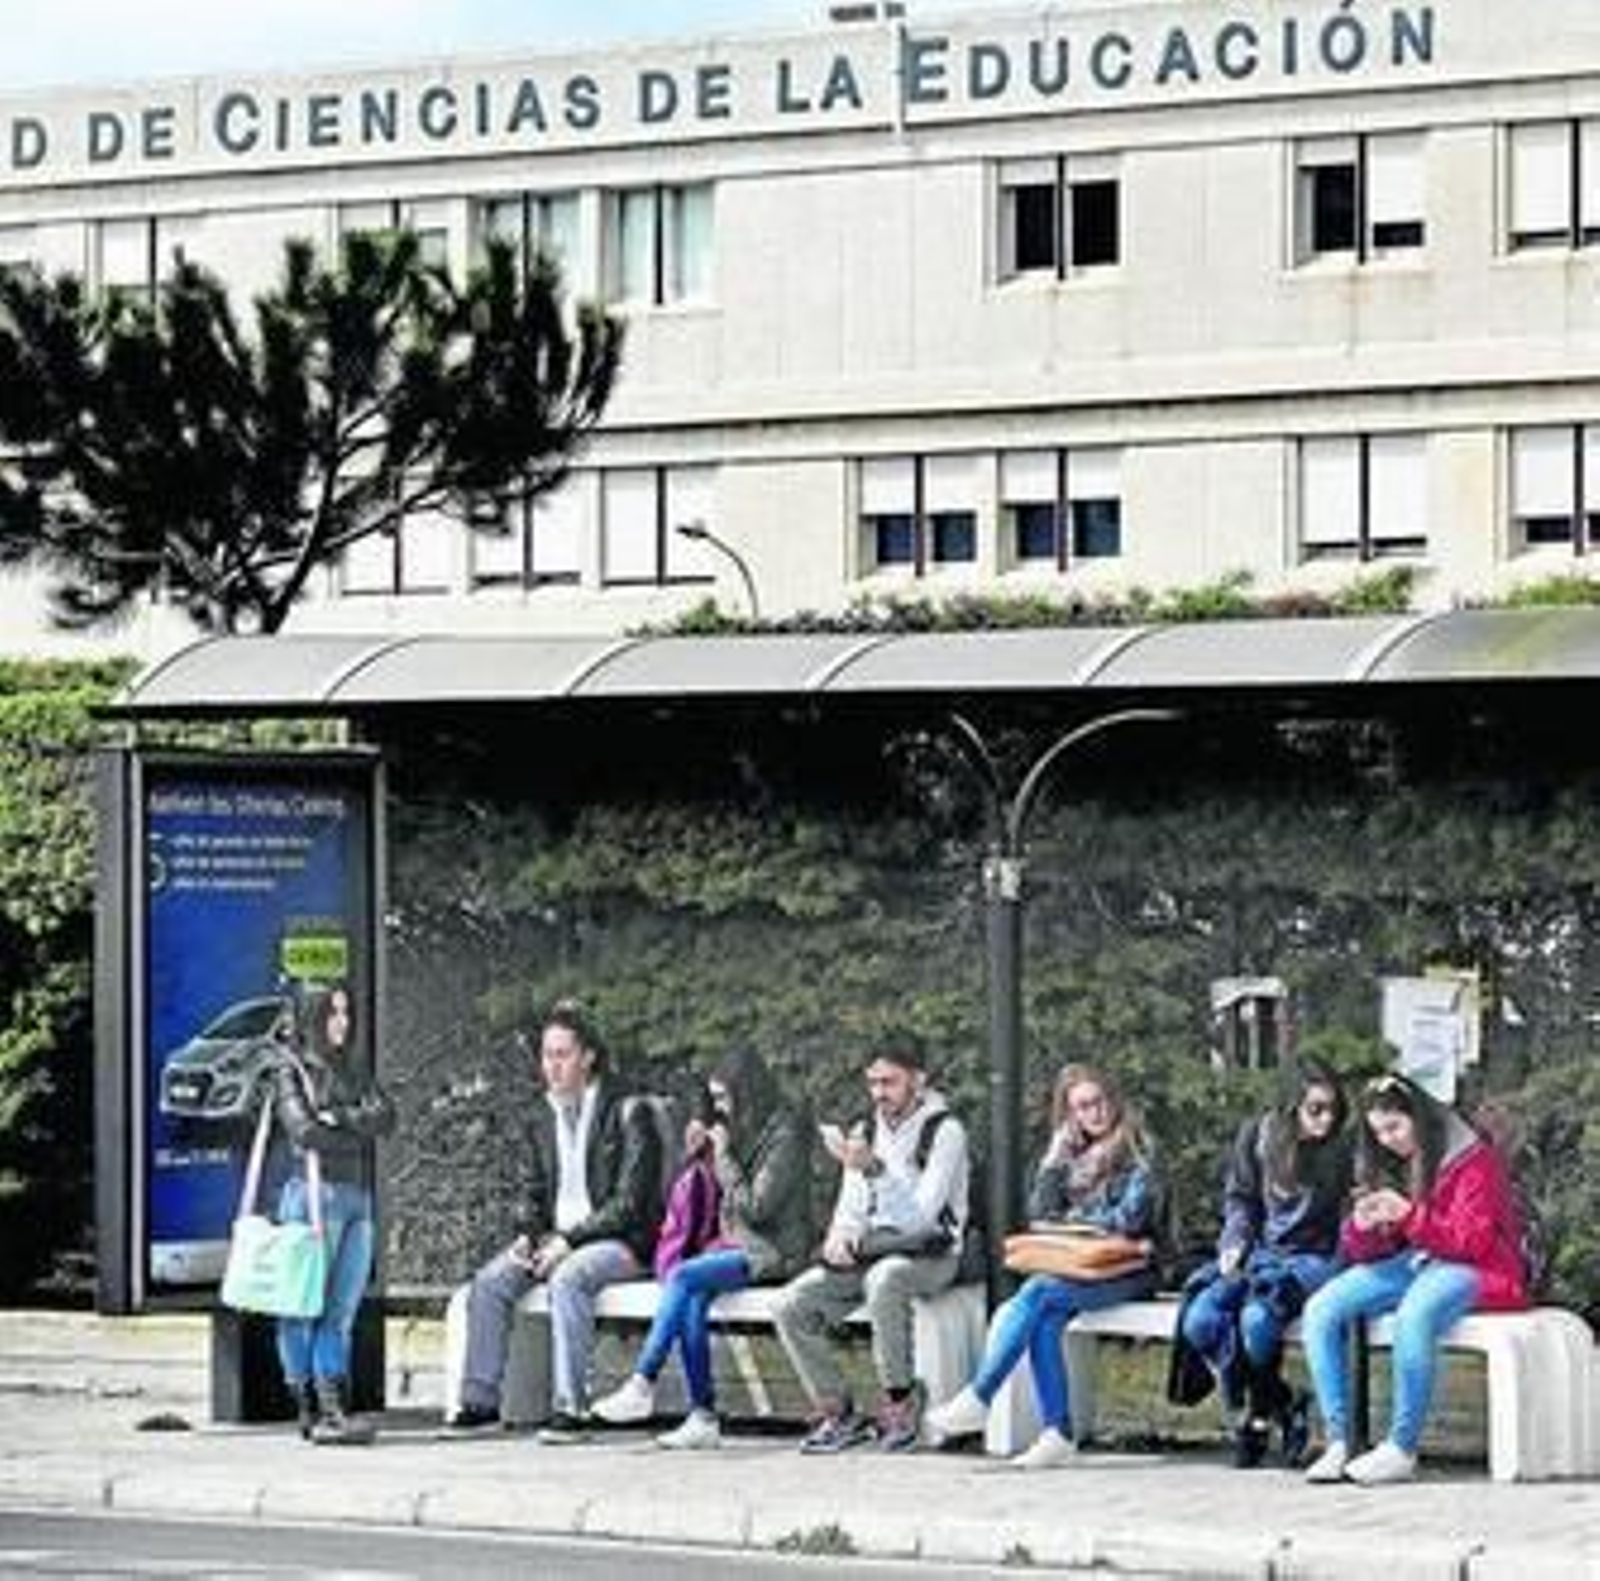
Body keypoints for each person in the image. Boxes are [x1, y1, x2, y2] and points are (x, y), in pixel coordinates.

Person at [924, 1063, 1160, 1469]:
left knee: (1039, 1293)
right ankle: (1058, 1434)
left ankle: (982, 1395)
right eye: (1083, 1107)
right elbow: (1039, 1212)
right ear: (1071, 1115)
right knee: (1044, 1315)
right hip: (1079, 1267)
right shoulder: (1071, 1156)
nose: (1094, 1113)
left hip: (1133, 1269)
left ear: (1114, 1101)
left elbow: (1129, 1220)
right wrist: (1054, 1158)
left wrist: (1074, 1222)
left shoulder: (1140, 1149)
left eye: (1099, 1102)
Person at [1301, 1072, 1529, 1486]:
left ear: (1418, 1117)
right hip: (1423, 1261)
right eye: (1378, 1131)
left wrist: (1407, 1215)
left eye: (1394, 1126)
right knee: (1322, 1307)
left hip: (1482, 1268)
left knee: (1415, 1313)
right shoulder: (1390, 1161)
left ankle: (1401, 1448)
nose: (1387, 1138)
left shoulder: (1472, 1158)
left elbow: (1471, 1242)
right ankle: (1340, 1442)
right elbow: (1364, 1253)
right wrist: (1365, 1226)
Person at [450, 998, 663, 1442]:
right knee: (489, 1282)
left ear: (588, 1057)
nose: (553, 1066)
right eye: (547, 1055)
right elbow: (530, 1193)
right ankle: (479, 1402)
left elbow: (630, 1202)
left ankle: (571, 1407)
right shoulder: (538, 1114)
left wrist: (569, 1240)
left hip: (619, 1242)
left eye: (563, 1055)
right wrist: (528, 1236)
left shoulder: (626, 1109)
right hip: (556, 1240)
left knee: (569, 1278)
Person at [592, 1047, 811, 1450]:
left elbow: (758, 1209)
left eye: (726, 1098)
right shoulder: (743, 1124)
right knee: (692, 1296)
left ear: (749, 1092)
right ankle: (702, 1416)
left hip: (776, 1252)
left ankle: (643, 1380)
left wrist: (724, 1155)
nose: (721, 1109)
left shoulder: (785, 1134)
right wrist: (702, 1140)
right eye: (717, 1100)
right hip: (738, 1245)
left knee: (684, 1276)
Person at [771, 1032, 972, 1454]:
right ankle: (838, 1412)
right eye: (873, 1083)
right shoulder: (865, 1129)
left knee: (885, 1279)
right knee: (790, 1303)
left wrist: (876, 1169)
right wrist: (838, 1237)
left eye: (890, 1082)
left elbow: (921, 1217)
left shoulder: (945, 1131)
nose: (879, 1093)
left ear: (918, 1079)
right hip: (871, 1250)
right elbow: (851, 1204)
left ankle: (900, 1401)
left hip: (930, 1253)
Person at [1173, 1065, 1352, 1468]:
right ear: (1291, 1109)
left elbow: (1349, 1221)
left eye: (1333, 1109)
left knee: (1257, 1322)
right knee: (1200, 1320)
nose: (1327, 1118)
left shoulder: (1341, 1150)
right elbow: (1241, 1200)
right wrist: (1234, 1243)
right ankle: (1283, 1403)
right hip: (1261, 1253)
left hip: (1315, 1258)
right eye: (1316, 1109)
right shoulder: (1258, 1136)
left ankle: (1254, 1418)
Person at [270, 981, 395, 1446]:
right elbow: (304, 1132)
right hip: (312, 1197)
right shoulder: (290, 1070)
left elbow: (387, 1117)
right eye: (331, 1013)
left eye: (346, 1012)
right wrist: (353, 1124)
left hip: (357, 1198)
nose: (341, 1022)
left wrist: (339, 1119)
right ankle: (308, 1407)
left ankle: (333, 1408)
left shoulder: (354, 1068)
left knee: (341, 1312)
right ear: (311, 1018)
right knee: (300, 1307)